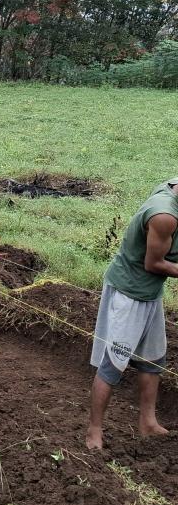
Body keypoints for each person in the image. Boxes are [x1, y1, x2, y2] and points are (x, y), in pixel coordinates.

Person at [86, 178, 178, 450]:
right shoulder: (164, 216)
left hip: (150, 294)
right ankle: (94, 431)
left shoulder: (172, 185)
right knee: (114, 363)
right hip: (130, 294)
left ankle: (148, 423)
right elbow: (154, 263)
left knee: (153, 359)